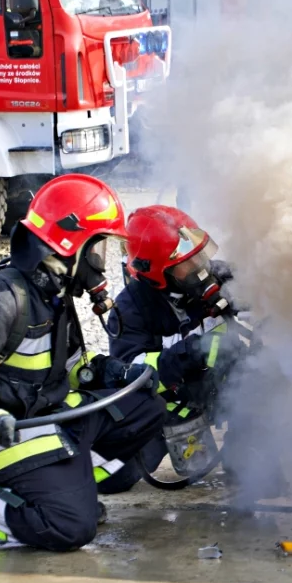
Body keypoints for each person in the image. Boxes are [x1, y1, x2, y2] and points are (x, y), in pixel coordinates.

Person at [0, 174, 206, 552]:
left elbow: (70, 368)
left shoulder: (54, 295)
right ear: (71, 244)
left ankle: (67, 485)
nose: (101, 262)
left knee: (148, 407)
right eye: (98, 247)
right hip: (6, 430)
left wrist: (115, 372)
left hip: (49, 416)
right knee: (69, 528)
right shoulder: (1, 297)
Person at [100, 205, 244, 494]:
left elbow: (272, 293)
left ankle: (245, 452)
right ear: (158, 273)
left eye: (199, 256)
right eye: (186, 263)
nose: (200, 267)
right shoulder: (129, 309)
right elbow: (130, 374)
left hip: (221, 388)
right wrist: (191, 353)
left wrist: (247, 298)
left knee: (263, 373)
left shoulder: (219, 276)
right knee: (114, 479)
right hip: (166, 407)